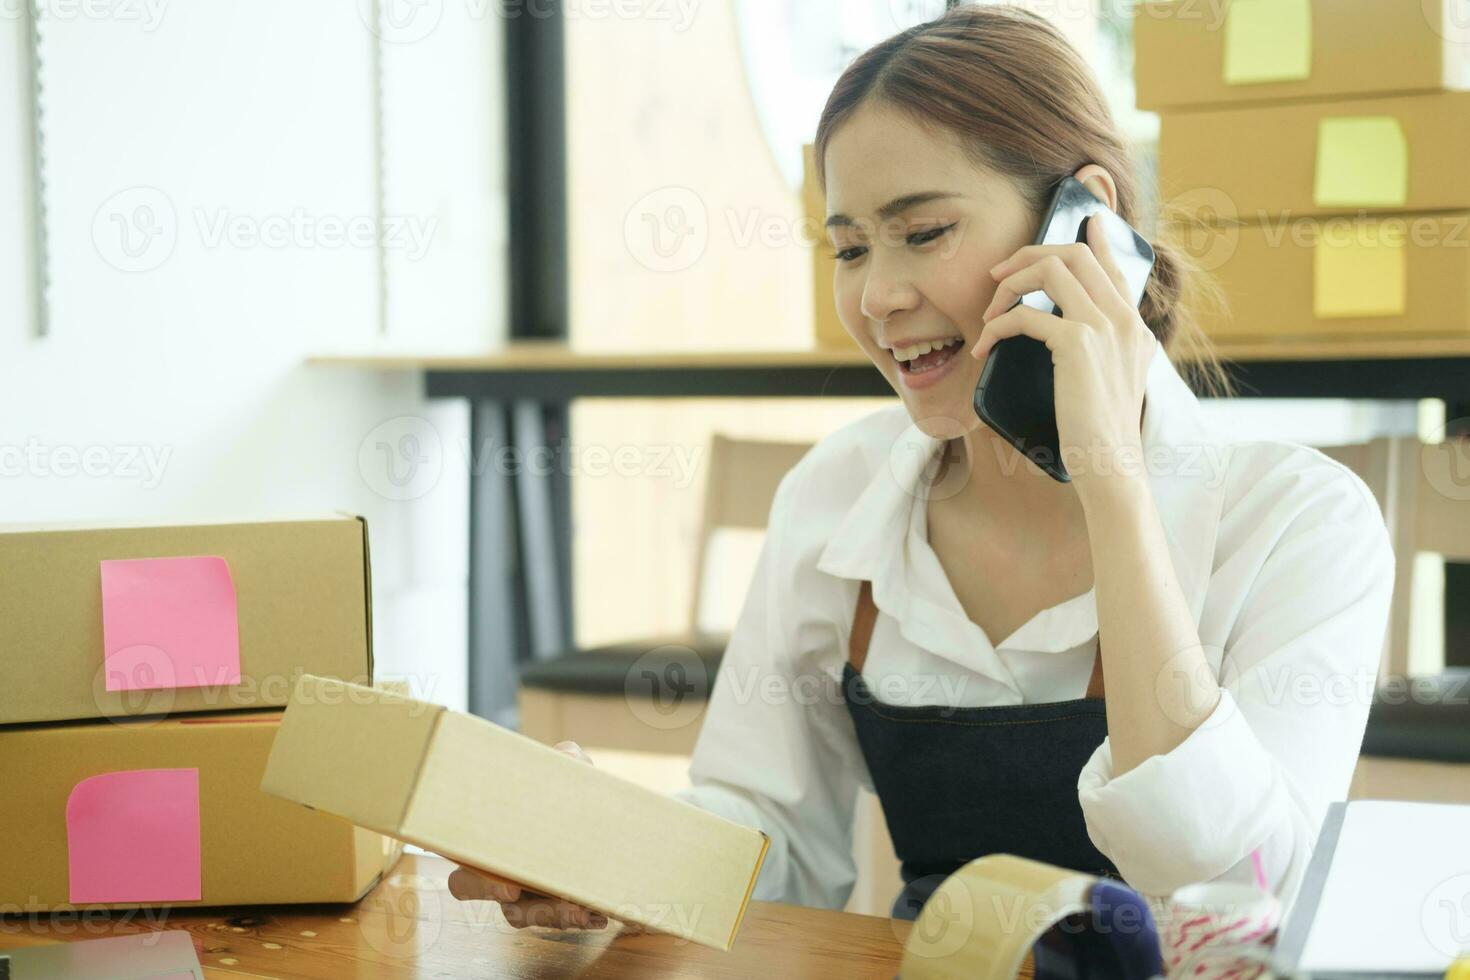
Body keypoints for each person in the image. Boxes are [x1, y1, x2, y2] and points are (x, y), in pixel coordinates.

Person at [451, 4, 1395, 928]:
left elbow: (1240, 896)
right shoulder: (837, 496)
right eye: (850, 247)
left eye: (925, 232)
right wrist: (610, 853)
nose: (877, 296)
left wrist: (1110, 479)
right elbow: (774, 834)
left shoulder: (1301, 523)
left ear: (1087, 225)